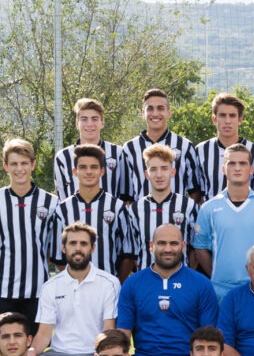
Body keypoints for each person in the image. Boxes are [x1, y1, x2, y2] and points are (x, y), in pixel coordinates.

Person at [117, 224, 219, 356]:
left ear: (183, 246)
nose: (168, 249)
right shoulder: (133, 283)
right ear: (151, 246)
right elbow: (123, 331)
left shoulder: (201, 284)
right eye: (162, 243)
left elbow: (209, 333)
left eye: (174, 243)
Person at [0, 138, 58, 333]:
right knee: (6, 347)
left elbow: (51, 247)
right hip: (2, 291)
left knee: (36, 349)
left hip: (38, 291)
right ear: (5, 166)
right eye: (14, 164)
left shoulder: (50, 201)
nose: (19, 169)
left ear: (33, 165)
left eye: (24, 163)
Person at [30, 222, 121, 356]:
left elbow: (109, 330)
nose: (78, 248)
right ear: (63, 248)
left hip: (91, 355)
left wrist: (102, 354)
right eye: (72, 243)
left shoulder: (109, 283)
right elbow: (44, 335)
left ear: (92, 248)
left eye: (83, 243)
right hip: (57, 355)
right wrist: (30, 352)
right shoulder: (50, 287)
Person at [193, 143, 254, 303]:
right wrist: (217, 275)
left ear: (251, 169)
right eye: (231, 163)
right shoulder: (208, 208)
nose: (237, 168)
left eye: (242, 163)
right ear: (223, 169)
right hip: (220, 290)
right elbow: (200, 248)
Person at [47, 143, 140, 283]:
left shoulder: (117, 207)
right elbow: (58, 256)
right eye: (83, 167)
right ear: (74, 171)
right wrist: (75, 279)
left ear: (102, 171)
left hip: (108, 288)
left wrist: (115, 282)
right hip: (74, 288)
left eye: (94, 167)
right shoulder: (63, 209)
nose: (88, 172)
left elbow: (128, 254)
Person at [122, 88, 202, 202]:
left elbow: (195, 190)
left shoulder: (185, 146)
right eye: (150, 108)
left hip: (176, 217)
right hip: (142, 218)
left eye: (160, 108)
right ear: (142, 113)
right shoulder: (129, 148)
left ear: (169, 112)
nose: (155, 113)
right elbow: (126, 194)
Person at [130, 144, 199, 271]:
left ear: (173, 172)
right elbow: (132, 252)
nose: (159, 175)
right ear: (146, 174)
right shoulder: (135, 209)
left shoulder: (188, 205)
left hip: (180, 280)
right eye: (153, 169)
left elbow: (196, 247)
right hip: (147, 281)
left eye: (164, 168)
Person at [54, 98, 133, 202]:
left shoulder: (118, 153)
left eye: (94, 119)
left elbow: (126, 195)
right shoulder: (63, 157)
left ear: (102, 123)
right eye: (84, 119)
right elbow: (62, 198)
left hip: (111, 217)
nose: (90, 124)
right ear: (77, 123)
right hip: (76, 218)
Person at [196, 93, 254, 202]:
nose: (227, 121)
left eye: (232, 115)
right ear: (214, 119)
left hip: (246, 216)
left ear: (240, 120)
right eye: (222, 115)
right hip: (211, 216)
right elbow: (196, 193)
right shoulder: (200, 150)